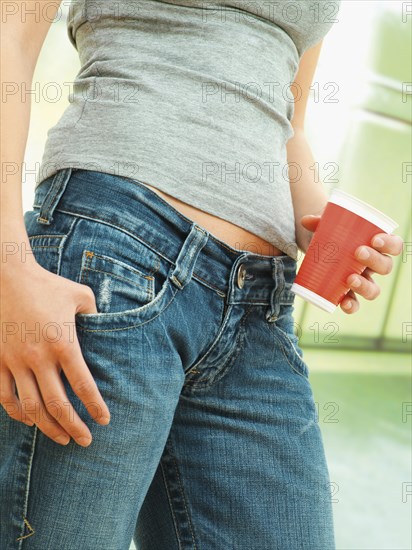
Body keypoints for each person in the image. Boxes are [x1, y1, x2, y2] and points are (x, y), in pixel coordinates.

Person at [0, 1, 403, 549]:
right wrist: (9, 266)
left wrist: (321, 229)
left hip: (259, 305)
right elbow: (11, 36)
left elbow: (288, 122)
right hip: (114, 262)